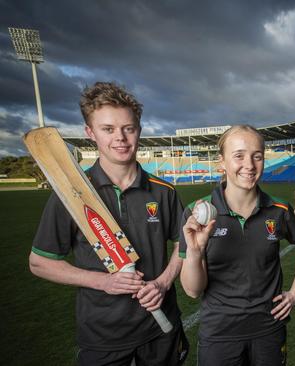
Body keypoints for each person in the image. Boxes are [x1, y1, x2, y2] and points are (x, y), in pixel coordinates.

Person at [29, 81, 188, 365]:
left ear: (138, 129)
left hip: (161, 331)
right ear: (90, 133)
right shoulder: (70, 195)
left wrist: (163, 283)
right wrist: (104, 281)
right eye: (108, 129)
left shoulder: (164, 192)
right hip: (103, 336)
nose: (121, 138)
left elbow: (182, 244)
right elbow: (40, 262)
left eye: (128, 128)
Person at [180, 125, 295, 366]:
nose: (249, 164)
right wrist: (195, 252)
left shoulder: (279, 210)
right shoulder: (196, 212)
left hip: (269, 329)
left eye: (257, 156)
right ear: (222, 162)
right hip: (219, 335)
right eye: (239, 155)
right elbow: (193, 291)